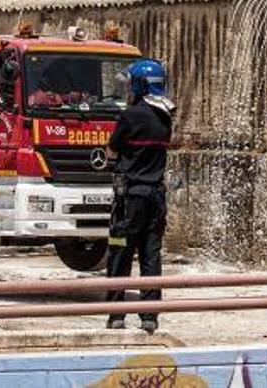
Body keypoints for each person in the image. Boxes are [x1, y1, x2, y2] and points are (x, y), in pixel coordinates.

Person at [104, 58, 175, 334]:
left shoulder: (130, 115)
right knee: (151, 256)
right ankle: (149, 317)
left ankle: (116, 314)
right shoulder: (165, 115)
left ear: (139, 85)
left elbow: (112, 149)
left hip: (129, 200)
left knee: (120, 252)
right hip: (156, 198)